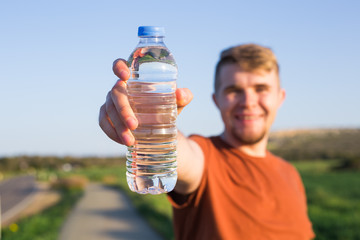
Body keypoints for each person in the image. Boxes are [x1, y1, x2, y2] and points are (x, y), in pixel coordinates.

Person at [99, 44, 315, 240]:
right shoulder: (206, 156)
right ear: (216, 100)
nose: (248, 102)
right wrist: (148, 116)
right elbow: (183, 155)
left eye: (261, 89)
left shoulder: (291, 174)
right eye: (234, 90)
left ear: (280, 97)